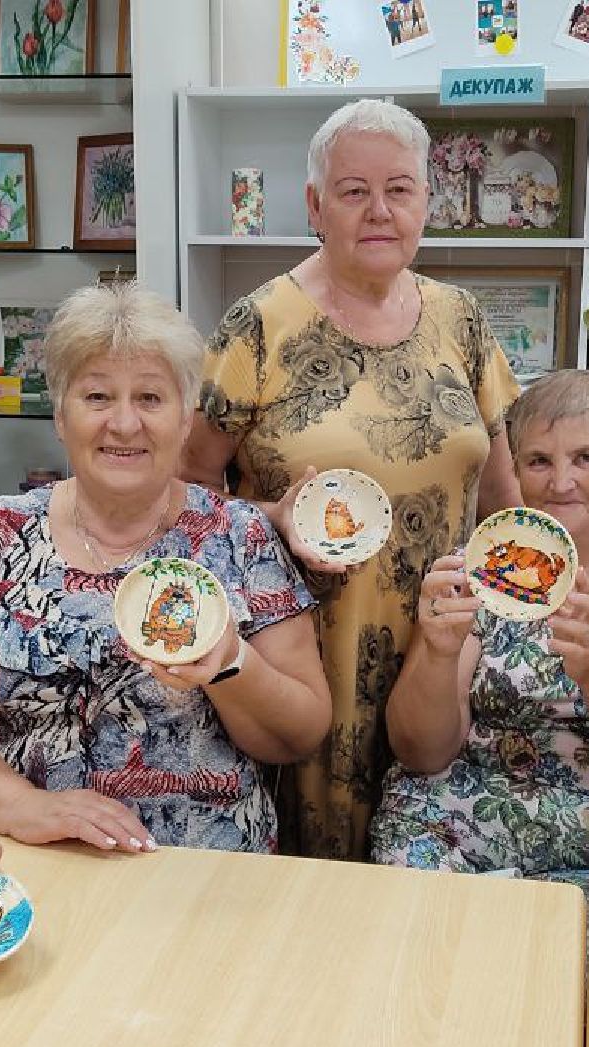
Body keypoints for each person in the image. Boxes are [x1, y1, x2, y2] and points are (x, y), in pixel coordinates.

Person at [183, 98, 522, 859]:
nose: (379, 211)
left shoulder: (461, 319)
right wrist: (269, 516)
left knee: (431, 868)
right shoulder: (258, 326)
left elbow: (502, 492)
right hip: (303, 650)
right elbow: (188, 489)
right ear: (315, 205)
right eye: (353, 190)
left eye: (400, 189)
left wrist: (522, 611)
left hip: (445, 637)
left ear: (427, 204)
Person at [0, 284, 331, 855]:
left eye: (150, 398)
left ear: (185, 420)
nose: (124, 424)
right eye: (98, 397)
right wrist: (23, 805)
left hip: (199, 869)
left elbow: (301, 732)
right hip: (25, 859)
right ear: (60, 415)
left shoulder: (240, 535)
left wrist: (232, 666)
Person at [369, 371, 589, 888]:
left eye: (586, 458)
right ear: (515, 470)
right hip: (451, 828)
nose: (560, 483)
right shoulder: (478, 570)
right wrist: (438, 656)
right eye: (539, 461)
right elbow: (420, 753)